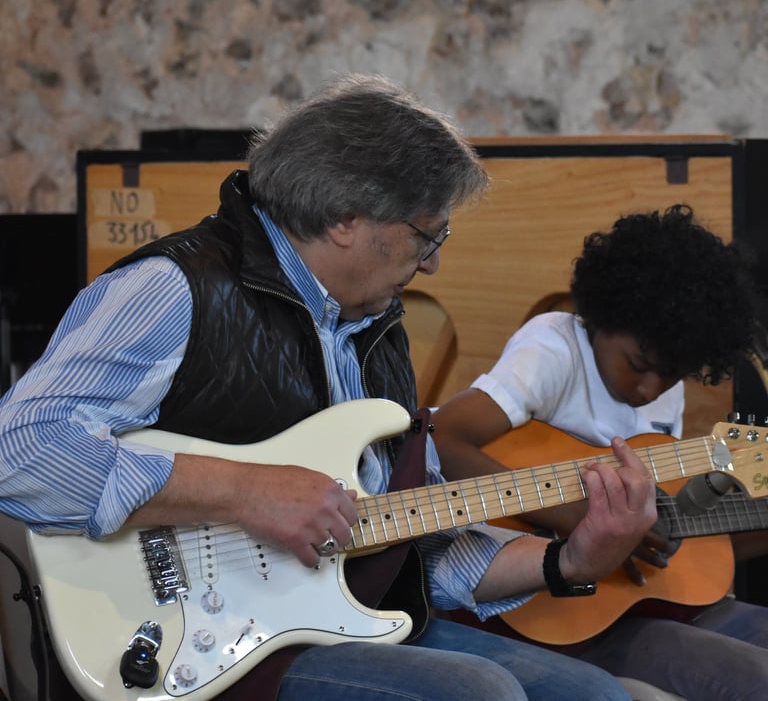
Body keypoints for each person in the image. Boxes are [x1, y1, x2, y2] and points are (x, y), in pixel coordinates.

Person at [0, 74, 659, 701]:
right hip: (197, 645)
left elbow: (404, 545)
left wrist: (570, 560)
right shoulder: (175, 288)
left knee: (594, 694)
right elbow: (19, 452)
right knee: (477, 692)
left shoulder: (376, 327)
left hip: (336, 620)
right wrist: (244, 491)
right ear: (346, 218)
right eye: (426, 234)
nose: (434, 262)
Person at [433, 204, 768, 701]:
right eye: (639, 364)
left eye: (671, 376)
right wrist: (581, 521)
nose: (650, 389)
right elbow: (439, 439)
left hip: (633, 602)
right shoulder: (555, 350)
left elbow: (665, 508)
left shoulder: (663, 389)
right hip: (548, 608)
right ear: (603, 315)